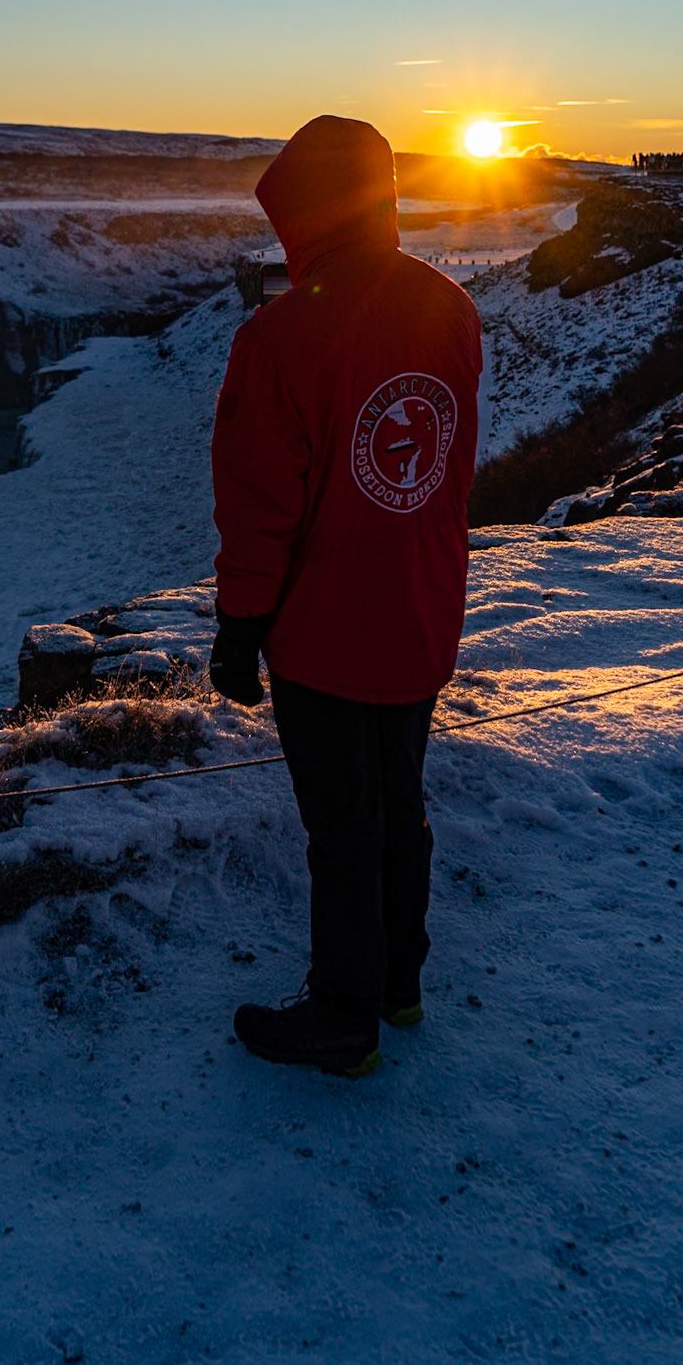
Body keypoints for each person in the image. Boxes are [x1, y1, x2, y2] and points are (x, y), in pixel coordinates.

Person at [208, 115, 482, 1076]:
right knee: (397, 805)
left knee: (340, 825)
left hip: (323, 636)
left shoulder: (279, 337)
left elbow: (258, 510)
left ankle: (340, 1015)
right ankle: (398, 986)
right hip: (417, 614)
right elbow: (440, 472)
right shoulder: (448, 306)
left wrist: (239, 634)